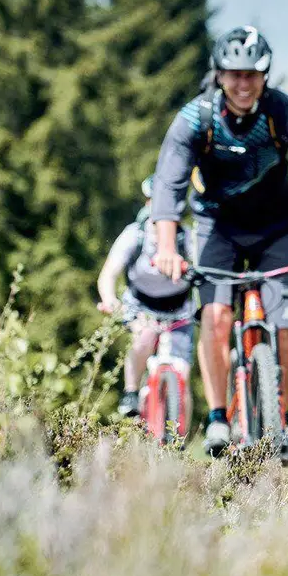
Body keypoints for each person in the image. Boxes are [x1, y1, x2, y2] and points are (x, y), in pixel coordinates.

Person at [149, 25, 288, 463]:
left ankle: (280, 425)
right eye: (234, 74)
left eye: (252, 75)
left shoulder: (286, 112)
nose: (243, 83)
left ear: (265, 76)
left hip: (275, 228)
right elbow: (168, 184)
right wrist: (166, 246)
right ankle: (219, 415)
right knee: (216, 317)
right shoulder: (196, 118)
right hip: (217, 227)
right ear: (219, 74)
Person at [95, 176, 194, 419]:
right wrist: (110, 299)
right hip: (141, 306)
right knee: (144, 337)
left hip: (180, 310)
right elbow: (108, 274)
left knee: (183, 374)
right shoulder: (135, 235)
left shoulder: (186, 237)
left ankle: (179, 436)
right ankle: (131, 392)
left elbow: (203, 269)